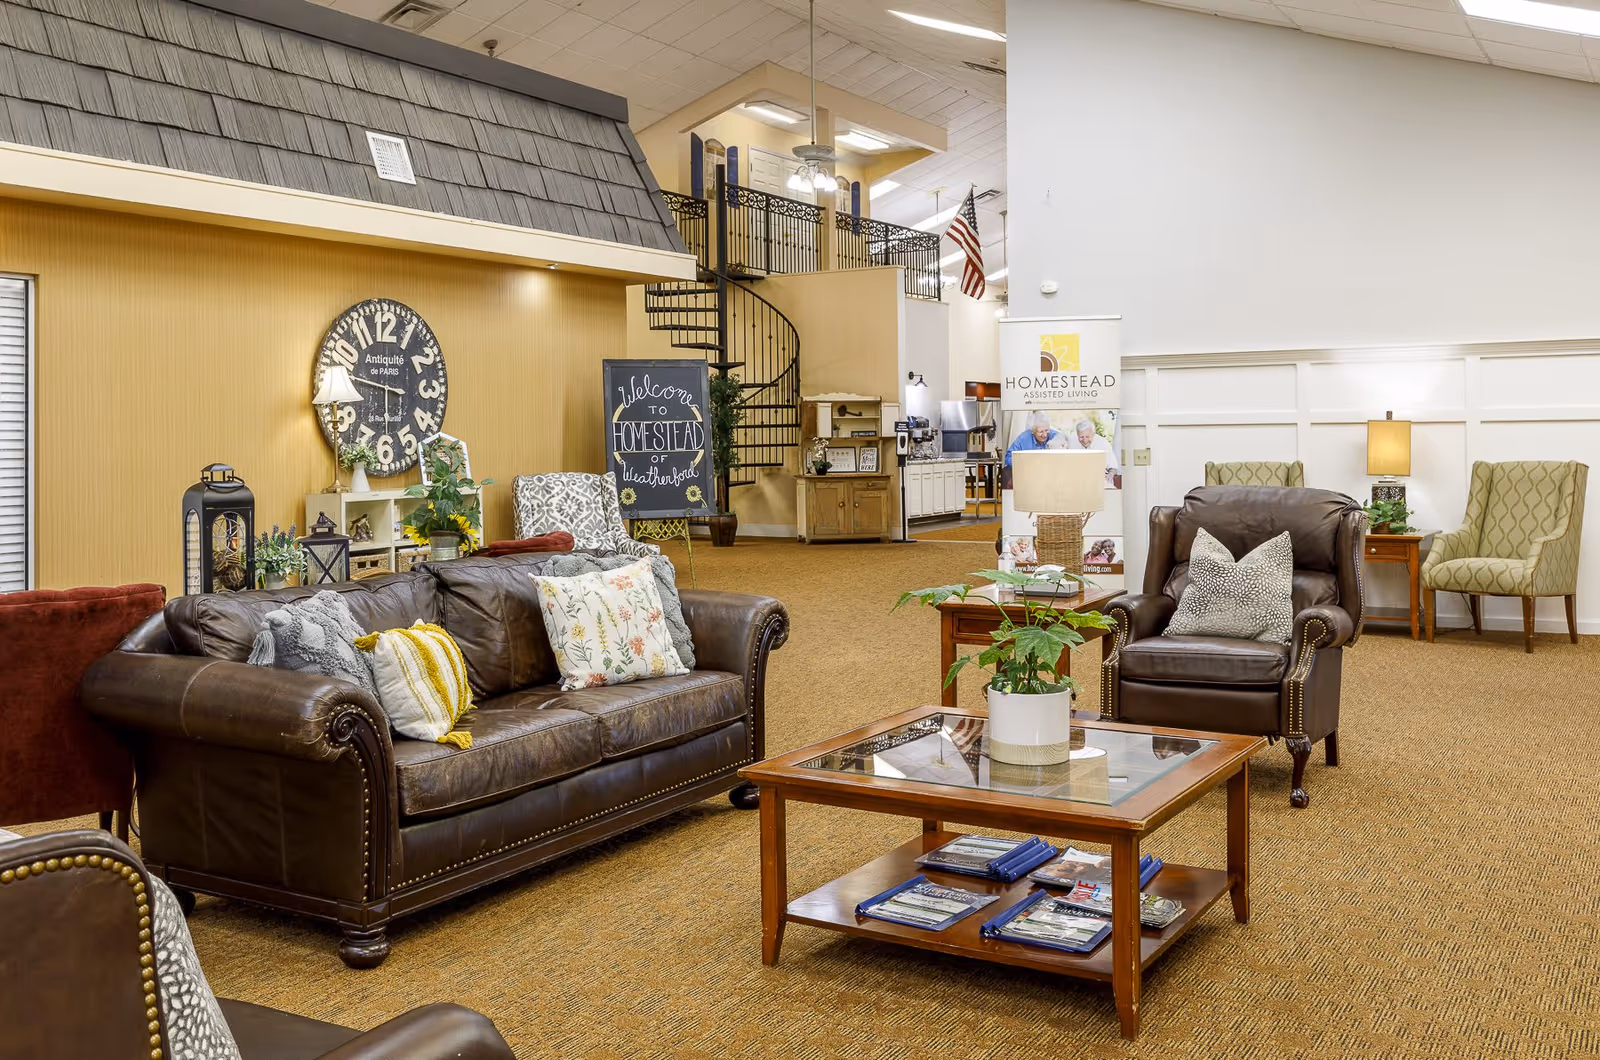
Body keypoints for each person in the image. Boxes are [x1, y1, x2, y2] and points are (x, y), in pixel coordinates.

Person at [1068, 417, 1121, 484]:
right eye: (1081, 437)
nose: (1085, 440)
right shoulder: (1071, 441)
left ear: (1093, 434)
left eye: (1087, 437)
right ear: (1077, 434)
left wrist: (1110, 475)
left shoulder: (1103, 444)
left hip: (1099, 481)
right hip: (1077, 481)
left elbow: (1113, 468)